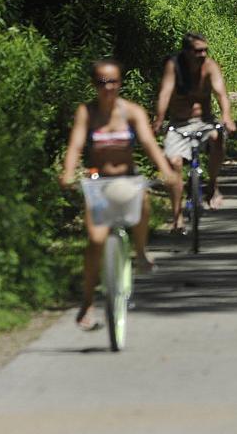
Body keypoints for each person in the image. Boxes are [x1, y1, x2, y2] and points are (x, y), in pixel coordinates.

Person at [60, 59, 177, 331]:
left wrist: (165, 170)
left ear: (120, 83)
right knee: (95, 241)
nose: (108, 87)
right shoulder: (86, 112)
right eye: (102, 82)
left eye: (113, 81)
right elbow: (76, 144)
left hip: (127, 178)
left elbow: (149, 143)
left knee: (144, 197)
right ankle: (88, 302)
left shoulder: (132, 111)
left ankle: (140, 251)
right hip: (98, 181)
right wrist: (67, 172)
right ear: (94, 84)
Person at [153, 32, 237, 233]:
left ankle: (212, 184)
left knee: (217, 138)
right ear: (186, 52)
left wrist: (226, 116)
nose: (202, 54)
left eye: (205, 50)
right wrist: (158, 119)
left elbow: (221, 94)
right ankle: (177, 218)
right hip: (179, 124)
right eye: (197, 50)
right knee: (174, 164)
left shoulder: (210, 66)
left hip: (204, 121)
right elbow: (164, 94)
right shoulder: (173, 67)